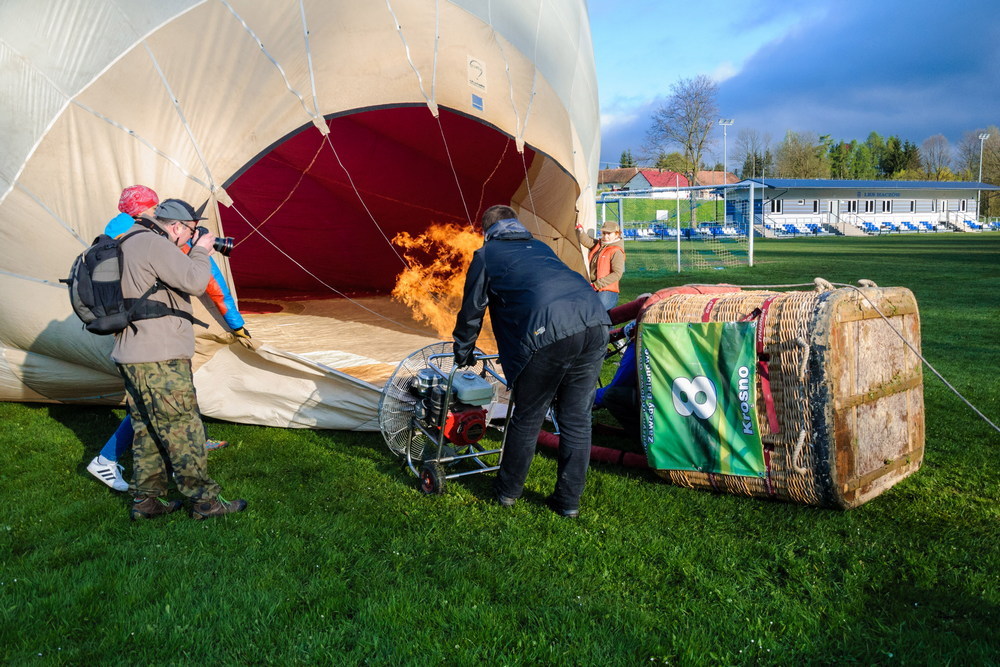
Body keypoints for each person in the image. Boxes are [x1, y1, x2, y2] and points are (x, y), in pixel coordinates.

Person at [86, 185, 251, 491]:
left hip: (130, 335)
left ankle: (148, 494)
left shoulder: (118, 235)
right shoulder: (152, 240)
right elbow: (203, 280)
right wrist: (235, 323)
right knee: (172, 416)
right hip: (157, 342)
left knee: (147, 411)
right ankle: (197, 491)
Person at [453, 205, 610, 518]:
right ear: (517, 226)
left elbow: (473, 310)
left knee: (528, 415)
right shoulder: (539, 246)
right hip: (596, 322)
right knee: (576, 419)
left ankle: (507, 492)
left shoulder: (486, 255)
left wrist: (463, 350)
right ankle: (567, 503)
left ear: (487, 232)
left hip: (548, 331)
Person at [576, 220, 626, 310]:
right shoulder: (599, 245)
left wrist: (597, 285)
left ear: (617, 234)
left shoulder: (616, 251)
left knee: (597, 314)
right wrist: (580, 230)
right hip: (594, 287)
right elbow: (587, 241)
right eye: (603, 233)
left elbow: (617, 274)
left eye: (609, 234)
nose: (605, 236)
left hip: (607, 290)